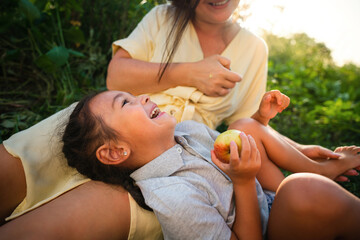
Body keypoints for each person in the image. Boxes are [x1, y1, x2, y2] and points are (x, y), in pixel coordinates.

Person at [107, 0, 358, 182]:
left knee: (244, 133)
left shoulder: (254, 47)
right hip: (137, 130)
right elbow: (115, 77)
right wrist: (188, 72)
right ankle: (313, 177)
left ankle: (306, 181)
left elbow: (251, 126)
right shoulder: (162, 17)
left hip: (197, 146)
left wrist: (298, 148)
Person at [61, 89, 360, 239]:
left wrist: (262, 122)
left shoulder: (186, 132)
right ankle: (316, 181)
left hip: (265, 196)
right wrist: (243, 182)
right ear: (115, 152)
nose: (142, 97)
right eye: (125, 103)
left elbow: (242, 145)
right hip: (266, 229)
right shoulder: (172, 198)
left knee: (246, 125)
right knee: (300, 191)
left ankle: (320, 166)